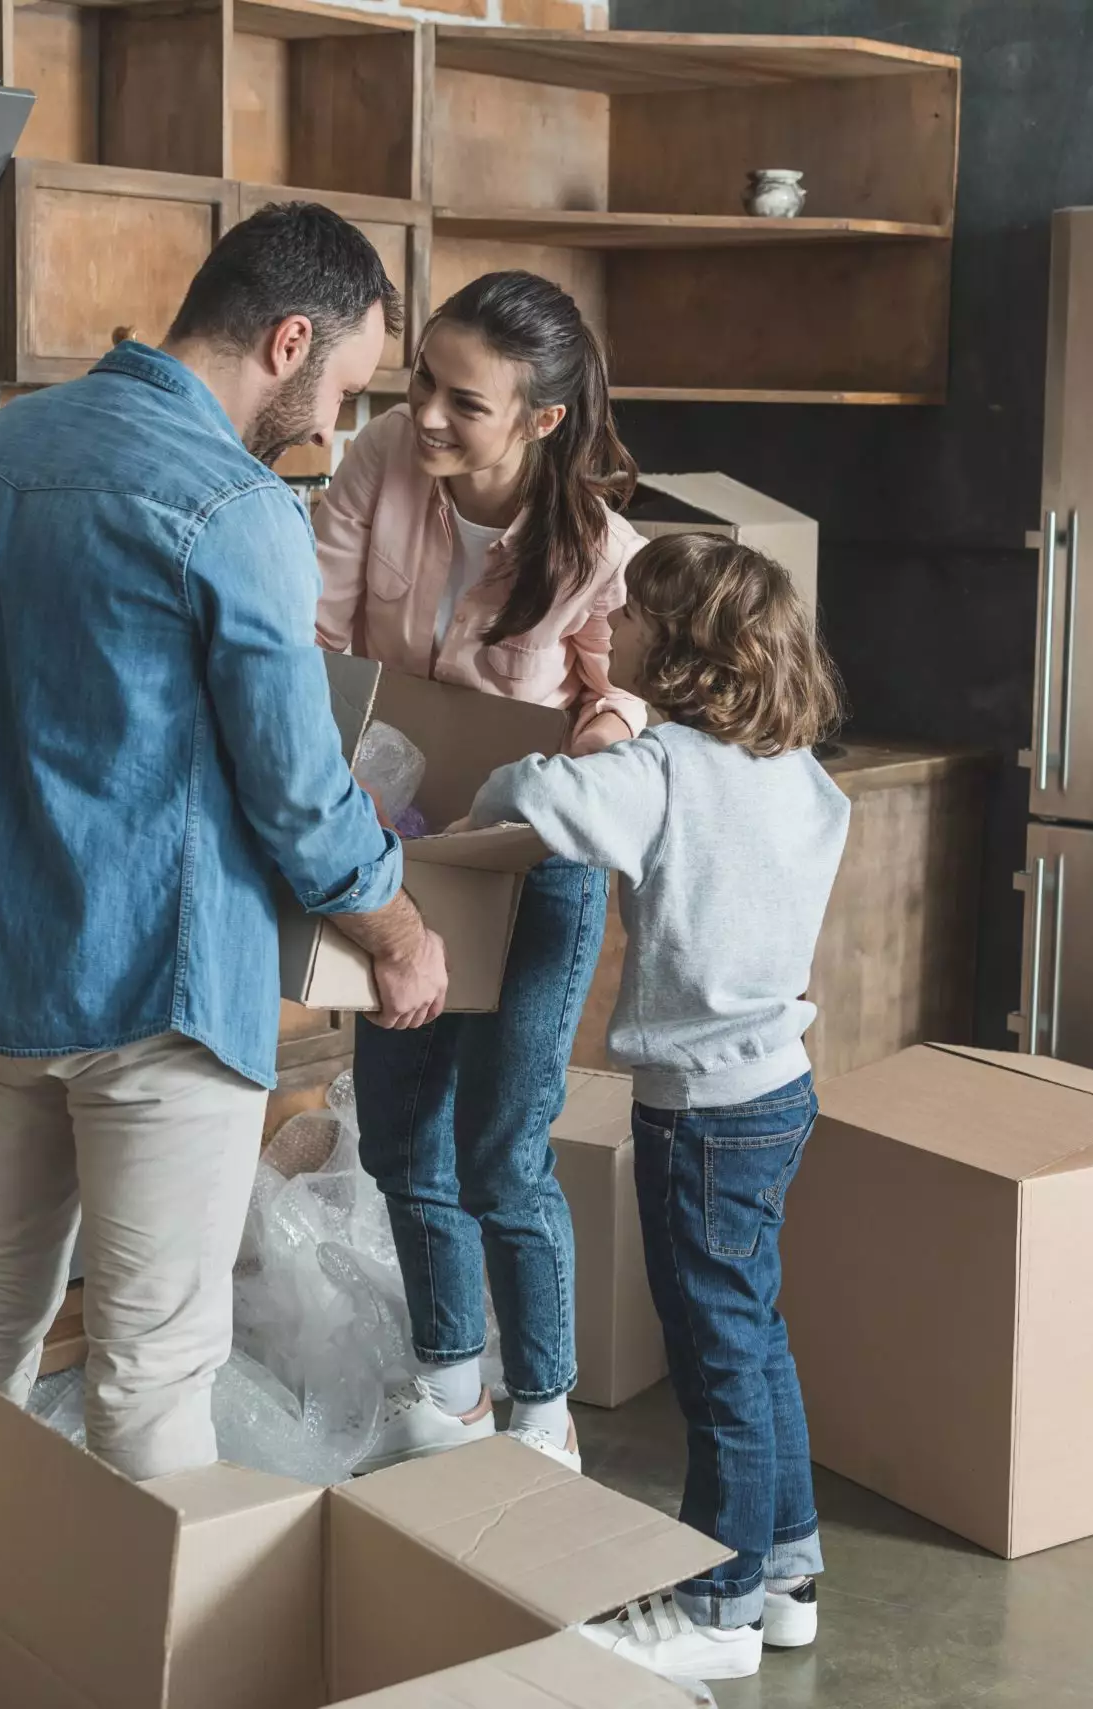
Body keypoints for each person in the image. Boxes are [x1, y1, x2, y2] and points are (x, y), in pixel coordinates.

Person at [0, 202, 450, 1704]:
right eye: (339, 396)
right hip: (151, 990)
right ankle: (160, 1679)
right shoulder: (229, 506)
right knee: (152, 1366)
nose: (331, 429)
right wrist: (394, 921)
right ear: (285, 343)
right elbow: (295, 784)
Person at [463, 533, 851, 1684]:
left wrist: (608, 729)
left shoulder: (665, 766)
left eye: (627, 613)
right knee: (754, 1331)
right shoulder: (795, 767)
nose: (610, 625)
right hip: (778, 1086)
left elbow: (529, 792)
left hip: (699, 1113)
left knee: (716, 1357)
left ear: (674, 650)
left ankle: (718, 1605)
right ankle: (783, 1567)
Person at [313, 270, 649, 1474]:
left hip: (531, 856)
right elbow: (319, 636)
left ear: (542, 419)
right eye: (420, 384)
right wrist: (337, 784)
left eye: (466, 401)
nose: (428, 417)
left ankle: (539, 1417)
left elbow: (621, 691)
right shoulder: (378, 462)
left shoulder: (604, 548)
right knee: (402, 1139)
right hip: (393, 838)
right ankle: (446, 1392)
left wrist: (573, 761)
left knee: (505, 1147)